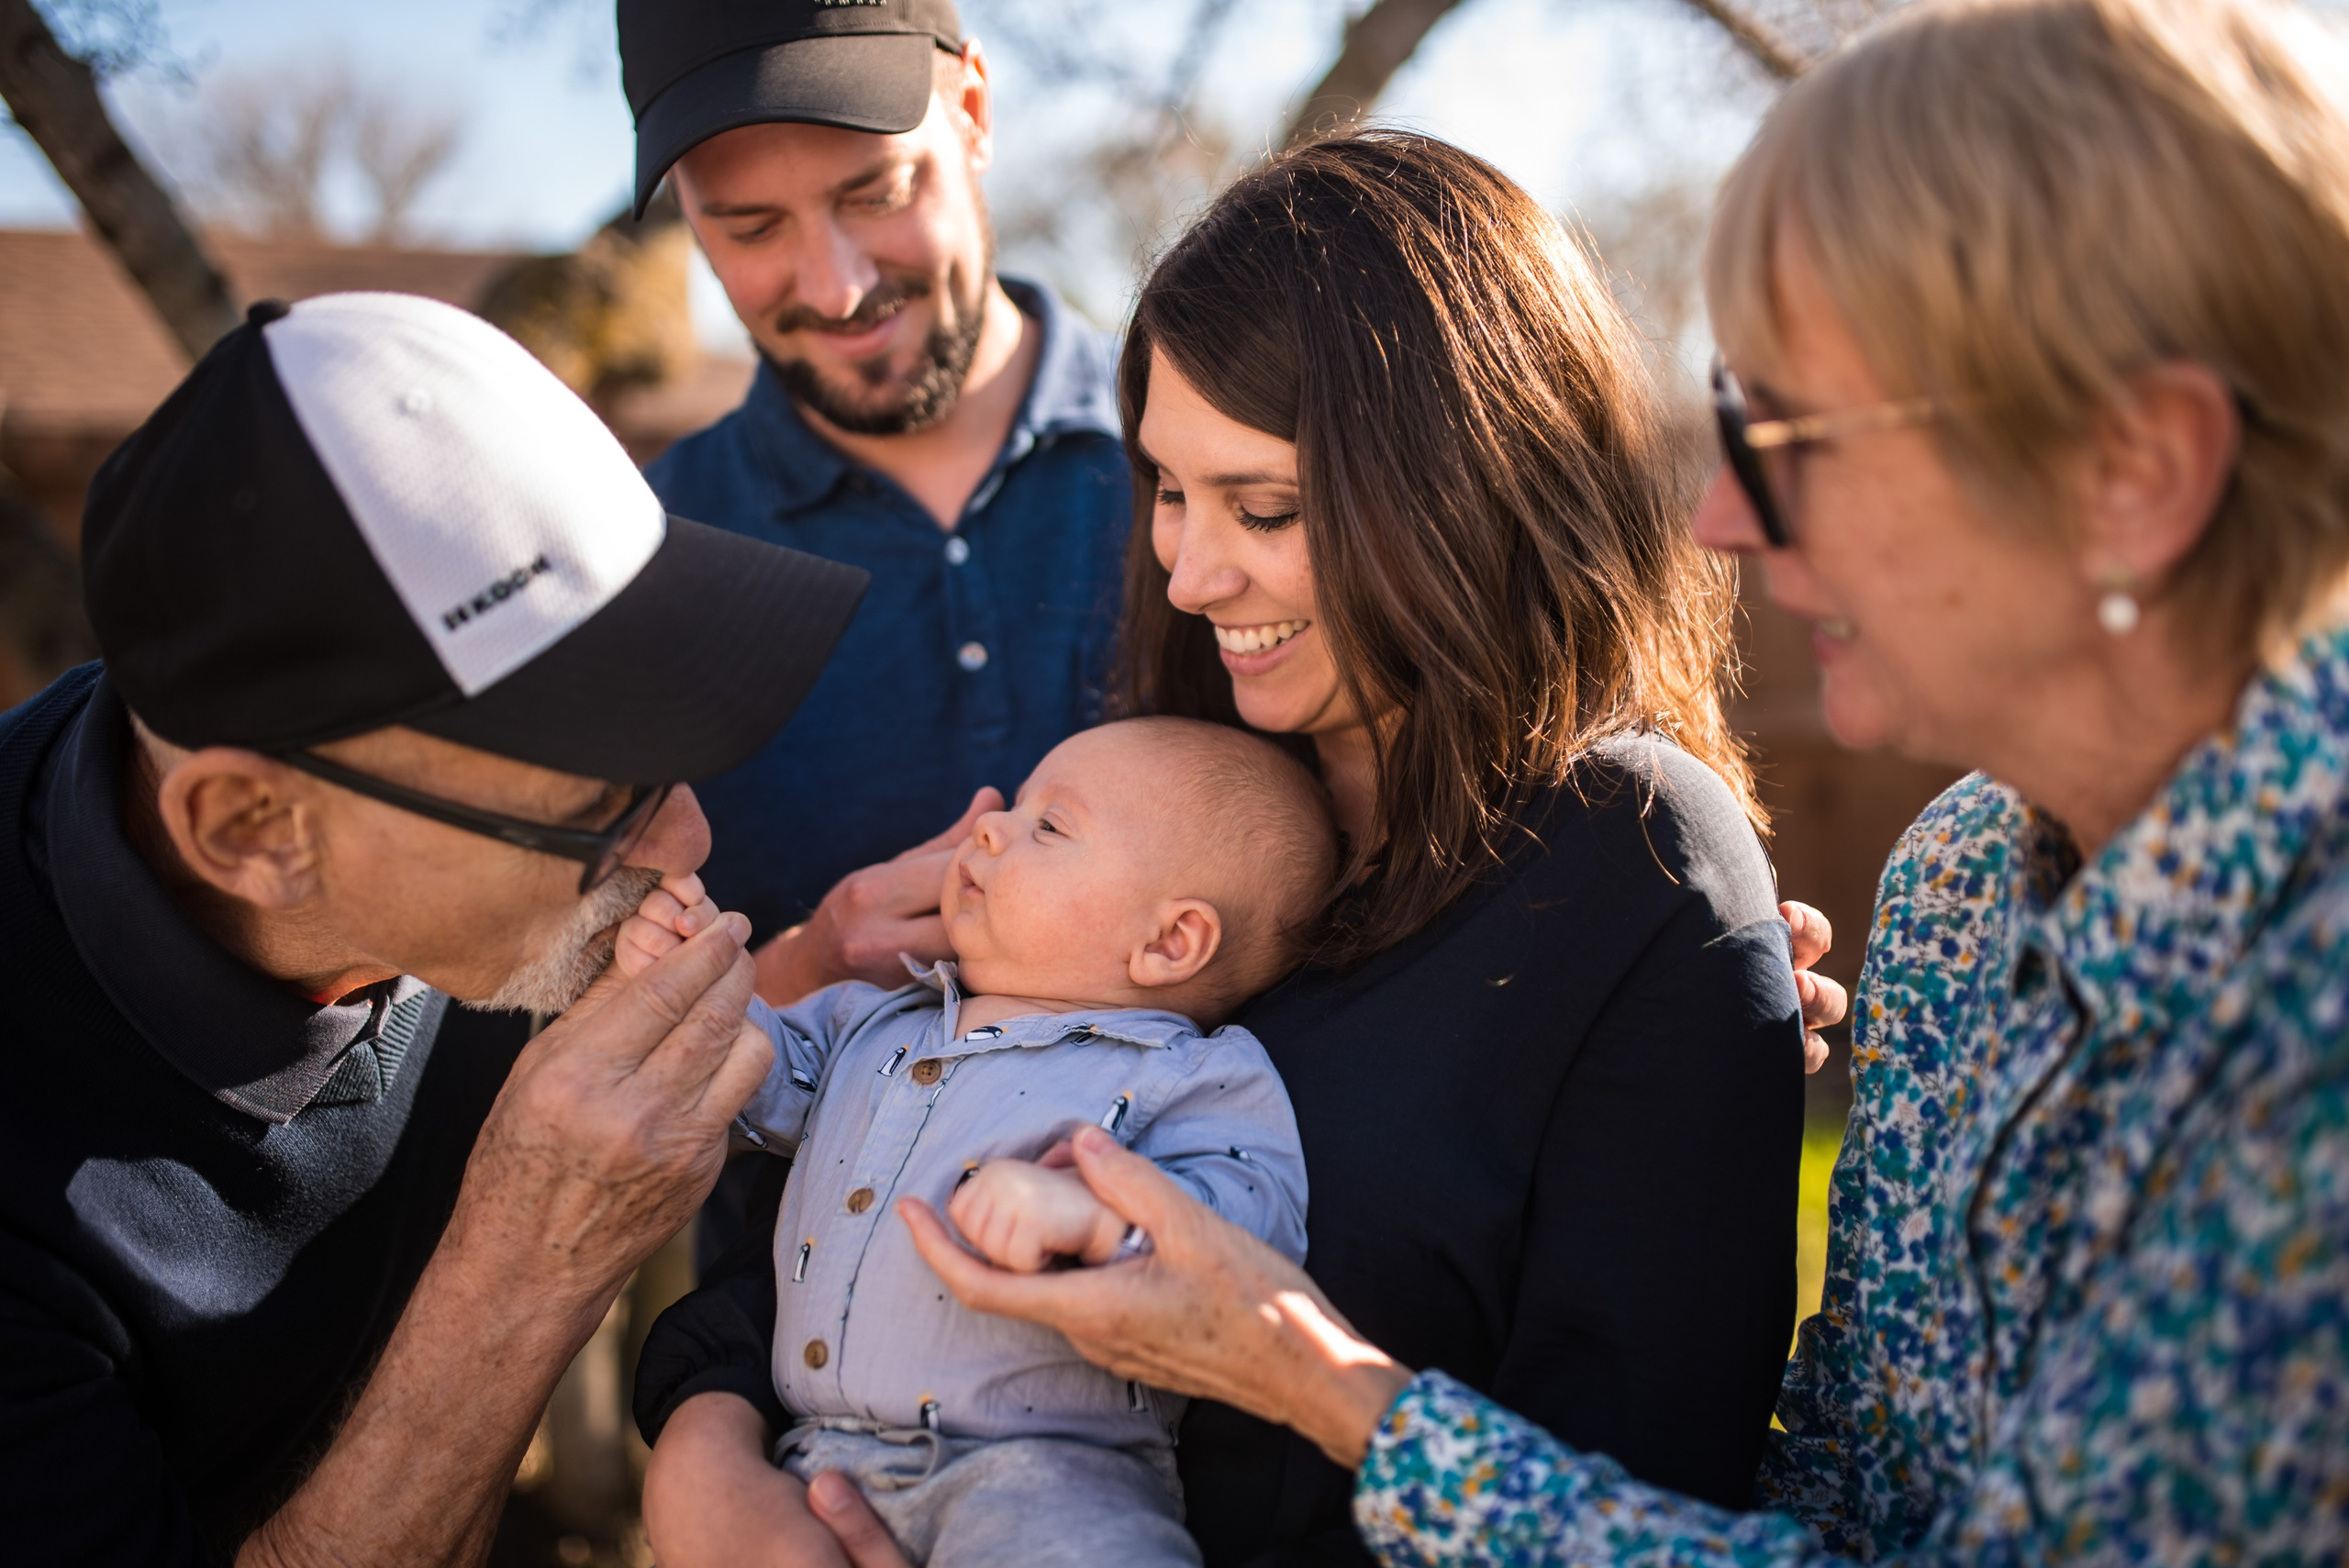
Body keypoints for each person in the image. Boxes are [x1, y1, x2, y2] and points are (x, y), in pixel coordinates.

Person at [883, 0, 2349, 1562]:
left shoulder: (2308, 1011)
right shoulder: (1954, 882)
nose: (1721, 514)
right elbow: (1841, 1475)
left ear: (2140, 469)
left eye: (1796, 435)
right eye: (1173, 493)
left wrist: (1311, 1375)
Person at [640, 132, 1845, 1568]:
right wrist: (703, 1440)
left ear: (1464, 482)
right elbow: (871, 1170)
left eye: (1263, 509)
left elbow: (1652, 1505)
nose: (1192, 574)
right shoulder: (1177, 795)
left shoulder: (1630, 869)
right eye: (1167, 491)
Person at [0, 292, 866, 1563]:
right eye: (595, 808)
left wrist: (807, 976)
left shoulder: (323, 770)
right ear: (252, 829)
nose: (686, 841)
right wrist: (524, 1270)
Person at [624, 717, 1326, 1566]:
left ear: (1168, 942)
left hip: (1047, 1477)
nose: (992, 826)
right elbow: (744, 1077)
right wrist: (689, 962)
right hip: (814, 1455)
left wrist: (1092, 1215)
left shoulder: (1188, 1073)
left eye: (1050, 825)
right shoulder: (874, 1020)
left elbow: (1247, 1228)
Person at [616, 0, 1130, 1006]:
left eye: (877, 193)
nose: (838, 288)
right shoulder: (634, 555)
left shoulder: (1211, 464)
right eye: (751, 226)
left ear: (973, 111)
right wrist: (795, 974)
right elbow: (567, 1027)